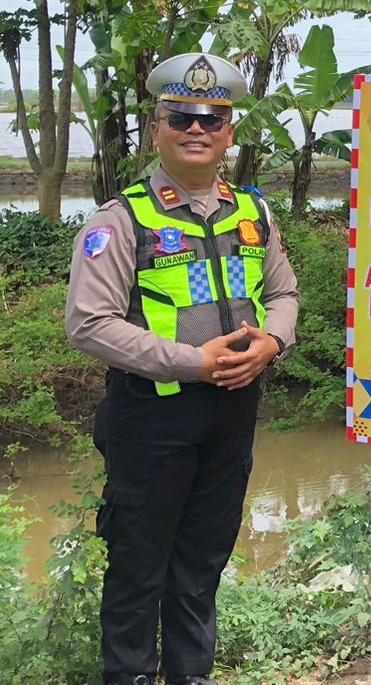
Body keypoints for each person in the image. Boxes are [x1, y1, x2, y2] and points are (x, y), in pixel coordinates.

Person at [66, 53, 299, 685]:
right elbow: (90, 322)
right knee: (140, 569)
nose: (197, 130)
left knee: (201, 564)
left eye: (211, 119)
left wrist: (272, 344)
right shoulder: (122, 219)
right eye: (181, 118)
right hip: (152, 417)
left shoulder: (254, 213)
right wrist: (191, 361)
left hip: (231, 415)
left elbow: (283, 295)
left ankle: (192, 676)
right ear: (157, 127)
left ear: (228, 132)